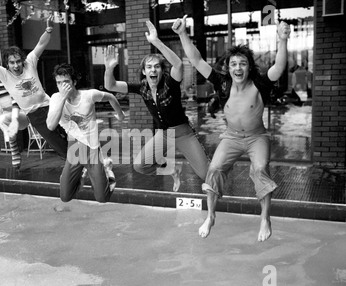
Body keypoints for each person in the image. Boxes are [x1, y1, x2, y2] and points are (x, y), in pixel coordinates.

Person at [173, 15, 290, 241]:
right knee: (213, 170)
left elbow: (279, 66)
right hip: (231, 137)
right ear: (228, 67)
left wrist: (282, 40)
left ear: (249, 67)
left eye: (243, 64)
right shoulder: (222, 83)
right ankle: (211, 216)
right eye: (234, 64)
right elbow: (197, 60)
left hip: (257, 137)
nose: (238, 68)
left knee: (260, 169)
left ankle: (265, 218)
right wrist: (182, 34)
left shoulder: (260, 84)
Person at [104, 20, 209, 192]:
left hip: (183, 133)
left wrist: (155, 41)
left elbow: (178, 64)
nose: (153, 70)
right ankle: (172, 169)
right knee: (140, 165)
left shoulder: (170, 83)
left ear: (161, 70)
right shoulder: (142, 88)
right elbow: (111, 86)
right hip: (164, 135)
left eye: (157, 67)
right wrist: (109, 69)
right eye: (149, 67)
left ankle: (211, 170)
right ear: (144, 72)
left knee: (207, 174)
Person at [0, 23, 68, 160]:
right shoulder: (3, 74)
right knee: (59, 145)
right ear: (7, 64)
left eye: (18, 61)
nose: (16, 65)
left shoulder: (30, 62)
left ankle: (86, 162)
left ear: (22, 60)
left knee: (70, 134)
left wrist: (48, 31)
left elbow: (40, 44)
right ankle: (76, 168)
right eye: (12, 62)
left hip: (50, 106)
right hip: (34, 115)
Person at [47, 63, 125, 203]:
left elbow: (111, 97)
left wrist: (120, 115)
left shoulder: (89, 95)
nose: (62, 86)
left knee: (102, 198)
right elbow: (51, 125)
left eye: (66, 82)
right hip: (74, 149)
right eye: (59, 83)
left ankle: (107, 169)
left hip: (92, 149)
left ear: (74, 82)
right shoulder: (55, 99)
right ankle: (81, 175)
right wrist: (63, 98)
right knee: (65, 197)